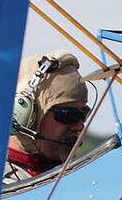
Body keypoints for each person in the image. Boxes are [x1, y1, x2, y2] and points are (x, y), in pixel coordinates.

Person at [6, 51, 90, 183]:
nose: (80, 126)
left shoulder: (81, 180)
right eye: (68, 115)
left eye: (84, 114)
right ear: (25, 117)